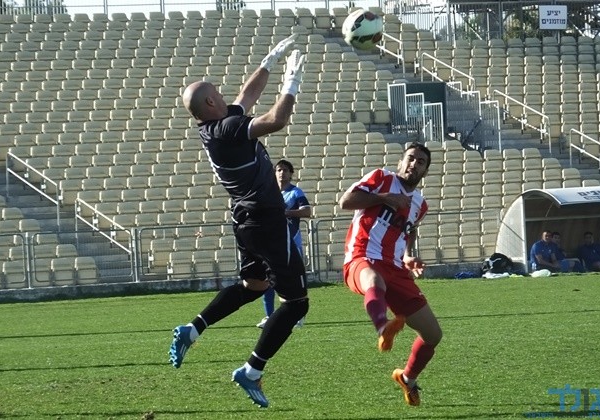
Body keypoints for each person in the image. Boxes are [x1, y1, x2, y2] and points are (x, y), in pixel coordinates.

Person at [169, 35, 308, 408]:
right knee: (297, 303)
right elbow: (276, 119)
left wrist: (269, 61)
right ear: (211, 103)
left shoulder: (215, 125)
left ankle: (192, 329)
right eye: (217, 92)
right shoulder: (227, 130)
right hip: (266, 220)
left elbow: (247, 95)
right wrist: (292, 82)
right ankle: (252, 370)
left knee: (253, 285)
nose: (224, 94)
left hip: (246, 219)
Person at [339, 142, 441, 407]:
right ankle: (383, 326)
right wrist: (384, 198)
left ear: (425, 171)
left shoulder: (420, 204)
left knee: (433, 335)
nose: (414, 164)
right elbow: (345, 202)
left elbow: (409, 230)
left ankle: (407, 379)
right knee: (374, 279)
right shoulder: (381, 178)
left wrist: (407, 256)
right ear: (400, 162)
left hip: (395, 268)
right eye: (410, 158)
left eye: (420, 162)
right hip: (362, 256)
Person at [257, 159, 312, 329]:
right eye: (279, 170)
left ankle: (298, 316)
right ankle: (269, 316)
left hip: (292, 243)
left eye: (286, 170)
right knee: (268, 280)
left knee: (293, 281)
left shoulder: (295, 192)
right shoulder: (268, 193)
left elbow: (307, 211)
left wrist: (285, 213)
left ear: (291, 173)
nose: (282, 173)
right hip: (272, 243)